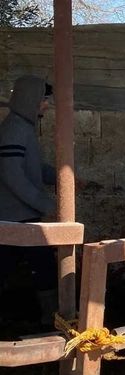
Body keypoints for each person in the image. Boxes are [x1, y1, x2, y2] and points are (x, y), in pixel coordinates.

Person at [0, 75, 58, 326]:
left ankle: (50, 318)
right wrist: (46, 205)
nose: (46, 104)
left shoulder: (22, 127)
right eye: (44, 99)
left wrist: (60, 177)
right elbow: (13, 176)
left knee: (27, 267)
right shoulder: (15, 129)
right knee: (42, 267)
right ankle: (53, 319)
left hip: (19, 214)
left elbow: (31, 167)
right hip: (16, 216)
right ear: (30, 99)